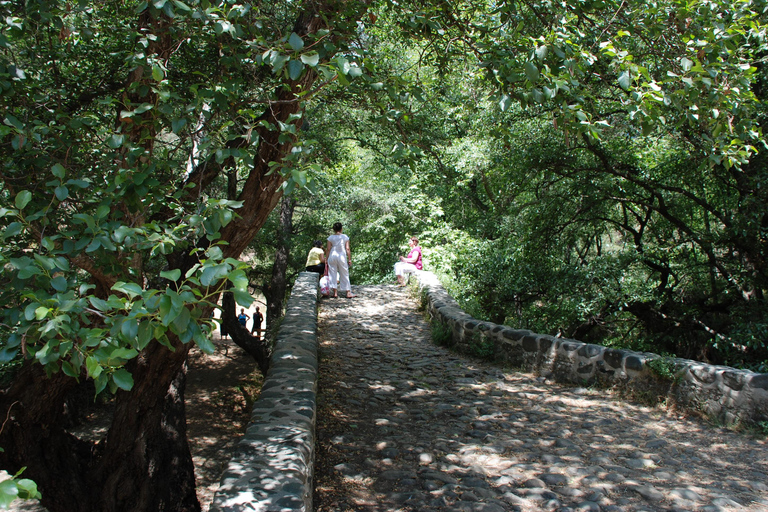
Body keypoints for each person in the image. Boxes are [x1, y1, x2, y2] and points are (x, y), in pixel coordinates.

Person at [325, 222, 356, 298]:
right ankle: (348, 292)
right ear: (341, 228)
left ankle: (335, 292)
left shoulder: (330, 237)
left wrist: (326, 258)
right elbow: (347, 249)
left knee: (332, 273)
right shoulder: (345, 237)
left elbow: (328, 249)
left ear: (334, 229)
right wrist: (349, 259)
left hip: (332, 255)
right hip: (341, 256)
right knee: (344, 273)